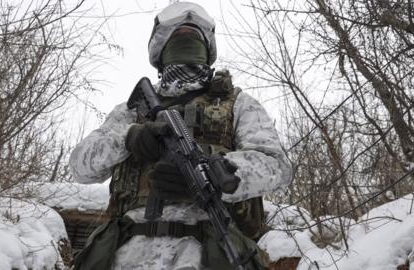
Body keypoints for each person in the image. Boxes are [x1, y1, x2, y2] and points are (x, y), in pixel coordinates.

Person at [69, 2, 292, 269]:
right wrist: (128, 138)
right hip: (126, 252)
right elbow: (80, 167)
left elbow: (277, 167)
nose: (186, 43)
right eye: (178, 36)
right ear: (161, 49)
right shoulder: (131, 111)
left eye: (193, 37)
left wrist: (215, 170)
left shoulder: (238, 103)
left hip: (209, 250)